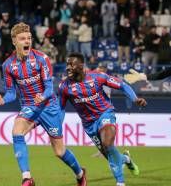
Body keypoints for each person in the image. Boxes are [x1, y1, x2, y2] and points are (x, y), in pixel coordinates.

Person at [0, 22, 86, 186]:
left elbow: (50, 87)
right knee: (17, 131)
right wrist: (3, 99)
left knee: (59, 151)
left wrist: (42, 96)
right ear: (14, 41)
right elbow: (11, 93)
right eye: (22, 38)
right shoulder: (8, 66)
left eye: (29, 38)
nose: (27, 41)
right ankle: (27, 177)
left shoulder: (41, 59)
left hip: (49, 106)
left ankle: (80, 174)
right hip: (29, 107)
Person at [58, 53, 147, 186]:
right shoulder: (64, 86)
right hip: (89, 124)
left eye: (72, 64)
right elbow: (60, 108)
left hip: (105, 114)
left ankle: (120, 183)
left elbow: (122, 85)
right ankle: (126, 159)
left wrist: (134, 99)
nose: (68, 68)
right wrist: (57, 125)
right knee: (110, 154)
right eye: (67, 64)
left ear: (81, 66)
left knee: (107, 144)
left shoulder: (97, 77)